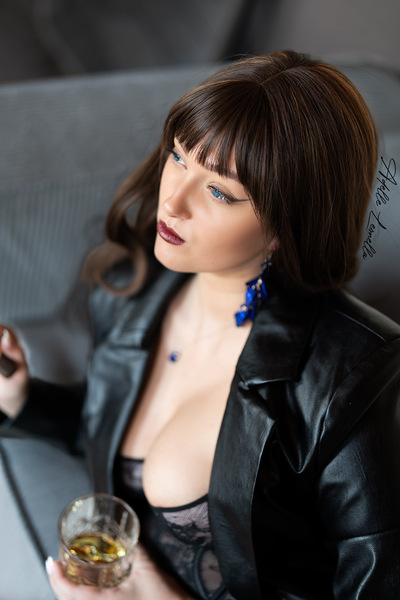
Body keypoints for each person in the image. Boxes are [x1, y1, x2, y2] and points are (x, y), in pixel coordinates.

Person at [1, 50, 400, 600]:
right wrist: (22, 398)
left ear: (286, 224)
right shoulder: (136, 285)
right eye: (179, 156)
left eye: (219, 191)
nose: (172, 201)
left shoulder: (354, 377)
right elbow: (109, 424)